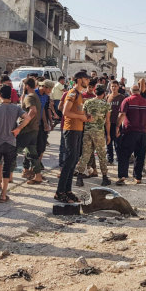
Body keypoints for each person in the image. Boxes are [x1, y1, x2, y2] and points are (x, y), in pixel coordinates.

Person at [0, 85, 32, 203]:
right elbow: (28, 118)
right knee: (7, 168)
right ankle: (4, 195)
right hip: (10, 143)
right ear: (10, 96)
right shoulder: (16, 108)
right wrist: (18, 128)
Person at [56, 71, 92, 203]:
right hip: (70, 129)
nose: (88, 81)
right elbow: (65, 112)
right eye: (86, 79)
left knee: (74, 161)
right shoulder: (72, 93)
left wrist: (86, 118)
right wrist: (81, 117)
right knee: (69, 161)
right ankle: (60, 192)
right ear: (79, 80)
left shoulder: (80, 95)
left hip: (78, 129)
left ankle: (67, 190)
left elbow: (77, 112)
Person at [116, 85, 146, 185]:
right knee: (140, 155)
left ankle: (122, 176)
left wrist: (117, 127)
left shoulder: (127, 100)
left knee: (124, 154)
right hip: (142, 133)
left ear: (130, 91)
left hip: (129, 131)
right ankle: (138, 178)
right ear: (139, 92)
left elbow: (122, 115)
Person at [75, 85, 112, 187]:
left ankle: (79, 177)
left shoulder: (88, 102)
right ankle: (104, 178)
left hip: (87, 131)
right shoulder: (106, 104)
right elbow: (107, 121)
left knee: (85, 154)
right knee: (101, 155)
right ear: (104, 93)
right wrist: (108, 135)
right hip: (99, 132)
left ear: (95, 92)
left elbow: (83, 115)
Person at [17, 78, 40, 181]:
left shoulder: (30, 97)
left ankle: (7, 177)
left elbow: (33, 111)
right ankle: (38, 176)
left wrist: (22, 125)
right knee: (32, 154)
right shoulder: (34, 96)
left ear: (26, 86)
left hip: (27, 130)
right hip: (34, 129)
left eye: (23, 85)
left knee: (14, 151)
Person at [32, 80, 53, 183]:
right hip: (32, 125)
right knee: (32, 149)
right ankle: (32, 171)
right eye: (50, 89)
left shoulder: (45, 96)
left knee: (42, 147)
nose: (51, 91)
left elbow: (43, 110)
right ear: (44, 87)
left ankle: (37, 171)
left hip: (40, 125)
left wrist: (45, 123)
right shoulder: (33, 94)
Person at [106, 80, 125, 164]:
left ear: (118, 87)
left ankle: (119, 159)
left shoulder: (121, 97)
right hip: (108, 123)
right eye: (112, 86)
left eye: (115, 86)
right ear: (110, 87)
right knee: (108, 142)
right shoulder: (107, 97)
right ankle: (110, 159)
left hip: (117, 123)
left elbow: (124, 111)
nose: (113, 88)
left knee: (118, 143)